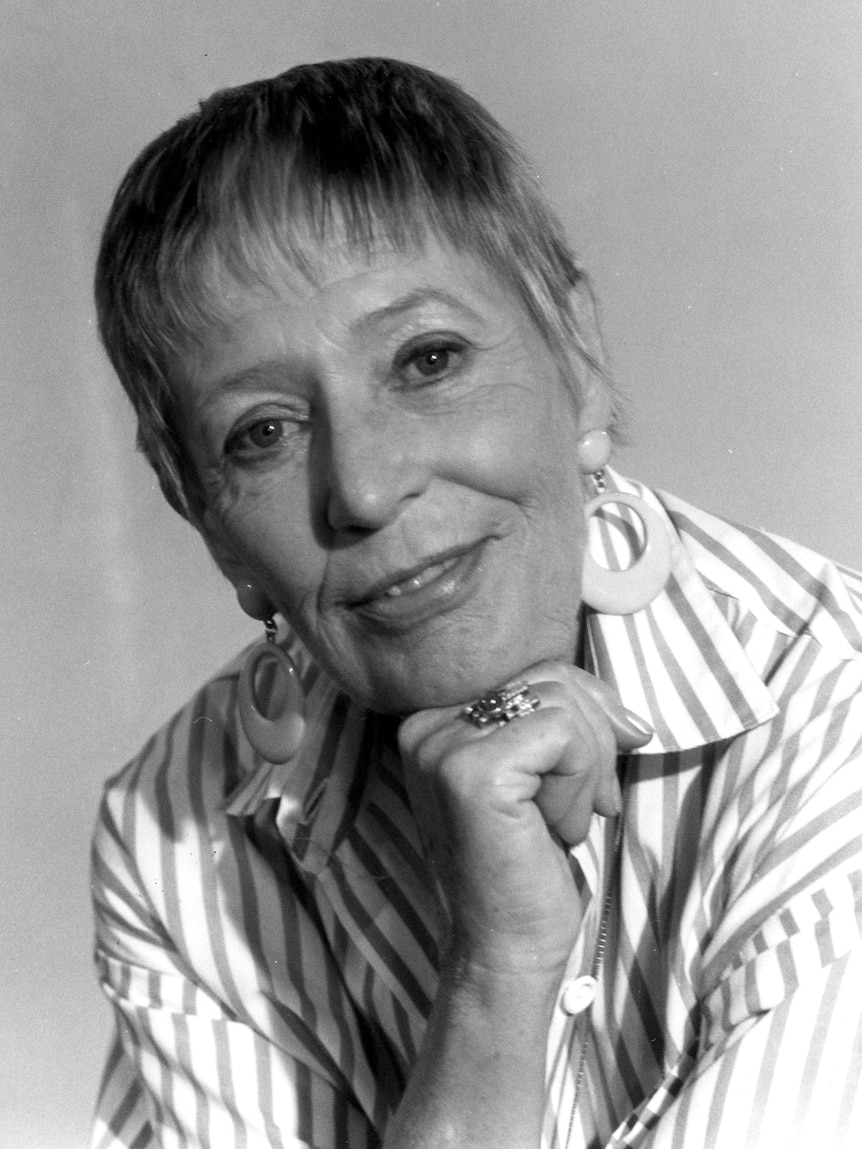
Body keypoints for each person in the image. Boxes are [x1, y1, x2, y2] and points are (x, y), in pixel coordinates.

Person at [90, 57, 862, 1149]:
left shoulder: (839, 710)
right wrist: (495, 977)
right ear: (198, 513)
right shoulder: (172, 835)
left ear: (576, 357)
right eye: (262, 432)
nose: (362, 487)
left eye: (427, 360)